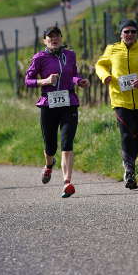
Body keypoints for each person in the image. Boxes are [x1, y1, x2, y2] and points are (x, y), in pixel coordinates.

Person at [94, 19, 138, 189]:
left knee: (137, 137)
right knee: (126, 134)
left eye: (133, 31)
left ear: (137, 33)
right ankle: (129, 170)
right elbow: (99, 65)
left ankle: (130, 165)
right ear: (121, 34)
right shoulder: (112, 49)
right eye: (126, 31)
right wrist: (105, 76)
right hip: (120, 99)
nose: (130, 34)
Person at [25, 26, 89, 198]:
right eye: (50, 36)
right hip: (48, 104)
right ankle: (49, 164)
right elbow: (28, 80)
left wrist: (79, 81)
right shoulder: (39, 57)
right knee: (50, 146)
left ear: (61, 38)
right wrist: (44, 81)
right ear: (44, 40)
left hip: (69, 102)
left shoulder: (70, 55)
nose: (54, 39)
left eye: (57, 36)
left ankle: (67, 182)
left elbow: (72, 74)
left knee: (67, 143)